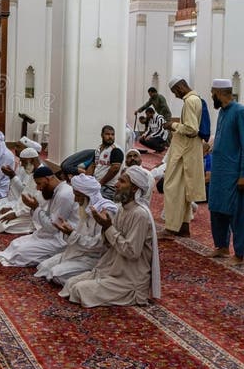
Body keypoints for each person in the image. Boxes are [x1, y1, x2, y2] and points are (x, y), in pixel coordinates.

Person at [59, 167, 161, 308]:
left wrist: (108, 227)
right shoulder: (121, 209)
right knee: (70, 284)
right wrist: (104, 229)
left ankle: (132, 295)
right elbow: (108, 244)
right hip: (111, 268)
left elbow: (132, 252)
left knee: (79, 290)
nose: (116, 184)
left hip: (129, 277)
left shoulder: (140, 214)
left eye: (122, 181)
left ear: (134, 189)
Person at [0, 165, 78, 267]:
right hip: (50, 234)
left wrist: (34, 207)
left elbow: (53, 227)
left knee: (22, 252)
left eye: (39, 184)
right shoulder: (56, 192)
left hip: (61, 239)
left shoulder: (64, 194)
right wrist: (34, 208)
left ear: (48, 179)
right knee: (16, 243)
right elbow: (48, 218)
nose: (38, 188)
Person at [35, 174, 118, 285]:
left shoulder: (105, 212)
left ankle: (91, 277)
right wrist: (68, 231)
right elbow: (79, 234)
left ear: (88, 195)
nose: (75, 199)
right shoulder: (85, 207)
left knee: (56, 274)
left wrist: (72, 234)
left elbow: (99, 245)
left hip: (94, 257)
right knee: (43, 267)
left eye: (78, 195)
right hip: (78, 252)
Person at [206, 79, 244, 263]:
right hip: (219, 171)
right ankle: (221, 247)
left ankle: (240, 254)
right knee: (216, 208)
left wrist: (243, 175)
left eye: (212, 92)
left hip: (233, 173)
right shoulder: (222, 111)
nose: (211, 95)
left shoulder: (239, 111)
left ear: (220, 93)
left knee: (235, 213)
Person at [162, 77, 206, 236]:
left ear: (180, 87)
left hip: (184, 152)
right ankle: (184, 227)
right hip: (190, 150)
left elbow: (191, 129)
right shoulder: (197, 99)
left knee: (172, 188)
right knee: (183, 190)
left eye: (175, 92)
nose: (175, 96)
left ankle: (171, 228)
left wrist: (171, 125)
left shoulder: (189, 102)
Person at [0, 147, 41, 234]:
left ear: (31, 160)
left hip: (32, 214)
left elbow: (35, 203)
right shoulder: (32, 173)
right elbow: (24, 195)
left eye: (24, 162)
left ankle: (32, 228)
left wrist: (16, 213)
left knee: (2, 224)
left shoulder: (41, 175)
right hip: (22, 209)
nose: (22, 165)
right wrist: (13, 208)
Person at [90, 125, 124, 200]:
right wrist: (85, 180)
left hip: (108, 188)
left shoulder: (116, 150)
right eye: (107, 134)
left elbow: (115, 168)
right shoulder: (98, 149)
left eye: (112, 134)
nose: (110, 137)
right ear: (102, 135)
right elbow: (93, 166)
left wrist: (100, 184)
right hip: (98, 185)